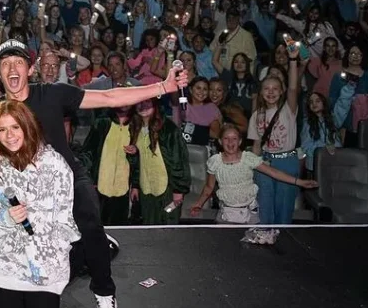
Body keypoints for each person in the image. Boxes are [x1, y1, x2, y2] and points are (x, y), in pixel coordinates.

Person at [0, 37, 189, 308]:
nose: (12, 68)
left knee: (89, 221)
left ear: (30, 68)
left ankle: (105, 296)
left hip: (69, 180)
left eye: (18, 62)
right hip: (27, 195)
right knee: (37, 249)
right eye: (6, 63)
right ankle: (87, 252)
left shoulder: (52, 93)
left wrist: (164, 87)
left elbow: (111, 97)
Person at [0, 99, 79, 308]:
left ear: (27, 127)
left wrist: (53, 257)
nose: (10, 135)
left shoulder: (55, 164)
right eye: (2, 129)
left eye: (15, 127)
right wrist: (6, 219)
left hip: (45, 262)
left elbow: (65, 218)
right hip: (8, 260)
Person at [190, 125, 318, 228]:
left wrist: (300, 182)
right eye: (226, 138)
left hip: (250, 215)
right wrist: (199, 204)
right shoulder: (215, 161)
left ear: (240, 141)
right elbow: (209, 187)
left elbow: (274, 173)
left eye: (234, 138)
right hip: (227, 216)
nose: (230, 142)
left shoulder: (249, 158)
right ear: (220, 141)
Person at [247, 41, 303, 244]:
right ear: (261, 92)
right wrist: (254, 168)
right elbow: (255, 145)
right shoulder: (256, 116)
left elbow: (294, 86)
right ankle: (264, 240)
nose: (270, 92)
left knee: (284, 205)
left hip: (287, 161)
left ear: (281, 92)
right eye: (266, 89)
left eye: (275, 89)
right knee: (265, 203)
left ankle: (283, 243)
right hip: (265, 162)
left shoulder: (289, 109)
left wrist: (293, 60)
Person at [128, 100, 189, 224]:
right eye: (139, 103)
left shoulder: (168, 128)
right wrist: (135, 186)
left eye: (147, 103)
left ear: (155, 105)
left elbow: (179, 160)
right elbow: (137, 162)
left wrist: (178, 190)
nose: (143, 106)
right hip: (147, 188)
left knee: (169, 223)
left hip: (168, 189)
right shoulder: (135, 127)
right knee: (149, 226)